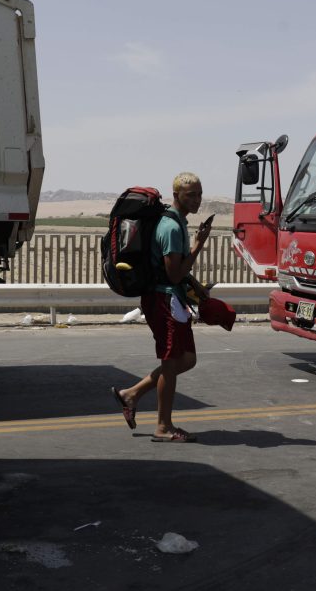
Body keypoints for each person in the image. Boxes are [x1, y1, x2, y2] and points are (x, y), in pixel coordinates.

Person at [111, 171, 212, 442]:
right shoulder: (171, 227)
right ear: (176, 194)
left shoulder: (177, 222)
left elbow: (176, 273)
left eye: (200, 193)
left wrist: (195, 285)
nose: (197, 199)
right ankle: (163, 427)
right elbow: (174, 275)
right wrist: (199, 246)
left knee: (186, 359)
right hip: (164, 301)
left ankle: (131, 394)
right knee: (170, 364)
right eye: (191, 194)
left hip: (171, 299)